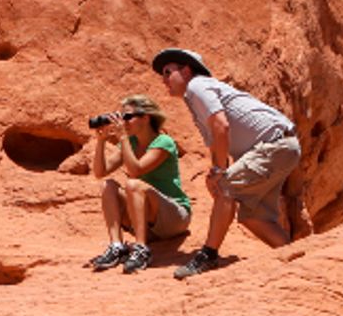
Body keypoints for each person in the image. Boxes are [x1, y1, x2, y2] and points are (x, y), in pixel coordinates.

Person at [152, 47, 301, 279]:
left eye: (167, 72)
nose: (164, 79)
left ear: (187, 70)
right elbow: (216, 139)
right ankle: (298, 260)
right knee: (254, 216)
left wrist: (221, 174)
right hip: (279, 147)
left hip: (273, 146)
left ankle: (208, 255)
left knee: (227, 189)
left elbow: (222, 126)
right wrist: (215, 173)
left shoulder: (197, 86)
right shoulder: (196, 97)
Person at [86, 94, 192, 274]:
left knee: (133, 185)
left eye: (128, 117)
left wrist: (123, 138)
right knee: (108, 185)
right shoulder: (132, 142)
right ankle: (116, 246)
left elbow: (136, 170)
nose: (124, 122)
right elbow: (100, 172)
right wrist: (101, 141)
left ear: (146, 117)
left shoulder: (163, 142)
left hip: (175, 217)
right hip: (148, 220)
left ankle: (141, 248)